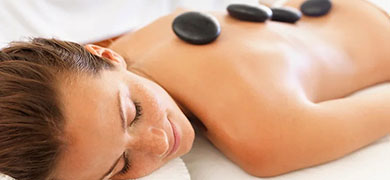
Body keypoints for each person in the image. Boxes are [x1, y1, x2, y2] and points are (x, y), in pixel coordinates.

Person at [0, 0, 389, 179]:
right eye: (122, 167)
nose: (156, 144)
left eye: (132, 112)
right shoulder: (118, 49)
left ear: (103, 55)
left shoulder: (262, 136)